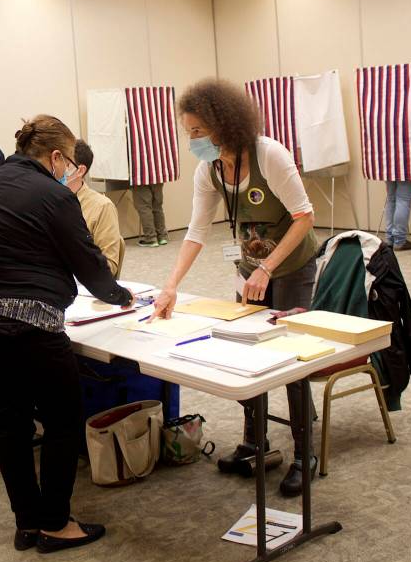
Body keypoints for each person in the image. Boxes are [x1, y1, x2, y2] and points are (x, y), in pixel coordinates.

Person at [0, 115, 133, 554]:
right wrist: (123, 297)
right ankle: (56, 523)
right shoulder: (56, 195)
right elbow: (91, 267)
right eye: (70, 161)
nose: (71, 169)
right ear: (56, 157)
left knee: (11, 423)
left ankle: (27, 523)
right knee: (61, 422)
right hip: (32, 328)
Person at [150, 78, 320, 498]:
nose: (192, 140)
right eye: (188, 131)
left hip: (292, 265)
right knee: (246, 352)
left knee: (290, 359)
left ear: (223, 125)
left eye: (196, 131)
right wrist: (170, 285)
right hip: (249, 268)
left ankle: (304, 455)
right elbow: (195, 232)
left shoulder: (269, 155)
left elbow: (304, 217)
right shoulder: (208, 169)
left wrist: (268, 269)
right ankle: (254, 444)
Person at [63, 140, 123, 276]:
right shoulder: (46, 200)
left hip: (80, 284)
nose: (56, 170)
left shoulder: (101, 207)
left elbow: (110, 266)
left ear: (80, 170)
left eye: (64, 164)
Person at [384, 181, 411, 251]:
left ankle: (390, 239)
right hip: (404, 170)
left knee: (391, 199)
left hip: (388, 170)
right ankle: (399, 241)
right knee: (403, 200)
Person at [132, 181, 167, 248]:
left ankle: (151, 238)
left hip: (141, 176)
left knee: (144, 206)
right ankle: (162, 237)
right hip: (157, 175)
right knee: (157, 206)